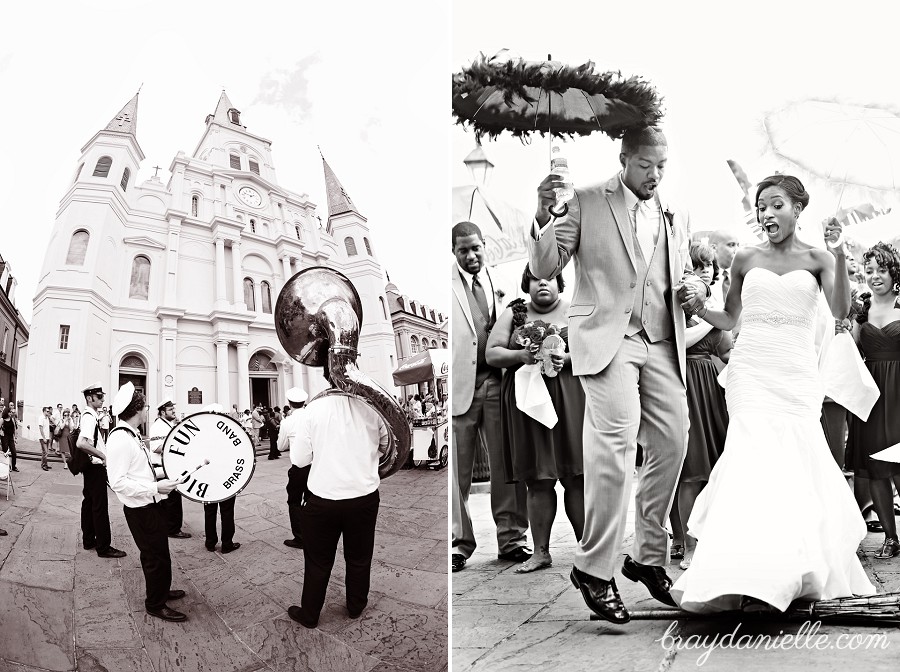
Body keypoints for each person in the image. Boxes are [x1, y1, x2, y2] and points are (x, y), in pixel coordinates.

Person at [670, 174, 875, 612]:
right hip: (752, 374)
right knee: (750, 462)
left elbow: (839, 313)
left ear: (798, 208)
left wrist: (838, 251)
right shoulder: (745, 258)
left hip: (796, 375)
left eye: (776, 205)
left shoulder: (819, 257)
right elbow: (728, 318)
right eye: (761, 206)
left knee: (796, 464)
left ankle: (795, 568)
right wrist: (696, 307)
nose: (766, 214)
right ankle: (741, 568)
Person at [530, 126, 707, 623]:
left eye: (662, 166)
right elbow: (545, 264)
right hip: (609, 339)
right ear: (625, 159)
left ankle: (648, 557)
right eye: (647, 165)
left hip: (662, 340)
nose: (655, 175)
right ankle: (594, 569)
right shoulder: (586, 201)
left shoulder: (675, 212)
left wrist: (693, 287)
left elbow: (686, 269)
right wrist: (545, 215)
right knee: (616, 442)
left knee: (674, 440)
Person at [486, 264, 585, 574]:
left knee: (576, 475)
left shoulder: (577, 308)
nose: (543, 283)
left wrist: (566, 358)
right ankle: (540, 551)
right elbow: (491, 354)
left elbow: (597, 348)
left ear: (560, 282)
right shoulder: (513, 312)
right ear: (526, 284)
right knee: (538, 479)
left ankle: (587, 550)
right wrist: (522, 356)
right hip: (527, 403)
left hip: (569, 397)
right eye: (535, 279)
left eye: (550, 278)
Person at [451, 221, 530, 573]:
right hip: (459, 390)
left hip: (499, 384)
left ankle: (512, 538)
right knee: (457, 474)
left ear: (484, 245)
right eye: (462, 250)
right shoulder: (447, 286)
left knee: (506, 465)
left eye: (474, 247)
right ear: (453, 252)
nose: (470, 255)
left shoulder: (505, 282)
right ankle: (458, 543)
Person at [287, 383, 387, 628]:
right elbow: (387, 446)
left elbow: (299, 459)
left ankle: (310, 614)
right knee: (360, 556)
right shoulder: (373, 408)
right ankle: (356, 605)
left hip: (324, 498)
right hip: (363, 496)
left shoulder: (313, 409)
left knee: (318, 561)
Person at [668, 244, 731, 570]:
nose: (695, 293)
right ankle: (688, 544)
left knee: (715, 471)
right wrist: (710, 323)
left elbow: (727, 352)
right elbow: (680, 343)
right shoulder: (672, 319)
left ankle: (713, 537)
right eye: (690, 288)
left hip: (711, 395)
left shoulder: (713, 319)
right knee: (690, 473)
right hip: (683, 388)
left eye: (701, 291)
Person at [106, 382, 187, 622]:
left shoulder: (131, 434)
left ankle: (161, 590)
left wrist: (163, 474)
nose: (147, 411)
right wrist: (155, 487)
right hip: (140, 509)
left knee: (161, 552)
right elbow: (117, 482)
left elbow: (139, 470)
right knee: (154, 557)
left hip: (151, 503)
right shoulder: (120, 439)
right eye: (145, 406)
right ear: (137, 409)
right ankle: (155, 603)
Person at [845, 242, 900, 558]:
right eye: (870, 271)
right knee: (876, 466)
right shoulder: (861, 312)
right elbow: (850, 349)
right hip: (873, 395)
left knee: (899, 463)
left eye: (882, 269)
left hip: (899, 394)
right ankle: (891, 538)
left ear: (894, 273)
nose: (875, 276)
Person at [77, 383, 127, 559]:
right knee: (99, 507)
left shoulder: (90, 415)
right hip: (95, 467)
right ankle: (104, 547)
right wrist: (102, 456)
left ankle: (89, 539)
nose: (103, 399)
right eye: (99, 397)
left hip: (91, 467)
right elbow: (81, 443)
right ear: (90, 398)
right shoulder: (89, 416)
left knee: (89, 503)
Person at [149, 397, 191, 539]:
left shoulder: (168, 424)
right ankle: (173, 529)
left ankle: (170, 526)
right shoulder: (158, 426)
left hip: (169, 466)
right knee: (172, 499)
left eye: (173, 408)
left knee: (170, 499)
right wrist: (177, 449)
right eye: (170, 409)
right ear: (162, 412)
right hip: (162, 467)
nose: (174, 411)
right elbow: (155, 447)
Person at [202, 403, 240, 554]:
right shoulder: (226, 433)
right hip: (225, 478)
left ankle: (210, 543)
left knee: (209, 512)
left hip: (208, 479)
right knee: (227, 512)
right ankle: (227, 543)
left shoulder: (201, 434)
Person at [277, 387, 309, 548]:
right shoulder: (313, 417)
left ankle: (300, 537)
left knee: (294, 502)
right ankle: (315, 533)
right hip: (315, 467)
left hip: (299, 468)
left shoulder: (287, 422)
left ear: (289, 404)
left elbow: (281, 446)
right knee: (312, 501)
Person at [1, 402, 17, 472]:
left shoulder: (12, 419)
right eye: (9, 412)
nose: (10, 413)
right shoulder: (2, 420)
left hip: (10, 437)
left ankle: (14, 466)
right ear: (6, 413)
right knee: (5, 452)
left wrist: (15, 438)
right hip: (4, 437)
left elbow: (14, 429)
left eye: (11, 412)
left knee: (14, 452)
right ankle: (7, 466)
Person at [39, 406, 53, 471]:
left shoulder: (47, 418)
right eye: (47, 411)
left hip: (47, 437)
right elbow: (41, 429)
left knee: (44, 452)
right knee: (45, 452)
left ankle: (44, 464)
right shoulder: (41, 418)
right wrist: (44, 438)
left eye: (48, 411)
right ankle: (44, 465)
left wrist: (49, 437)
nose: (48, 412)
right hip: (43, 438)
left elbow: (47, 429)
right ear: (44, 411)